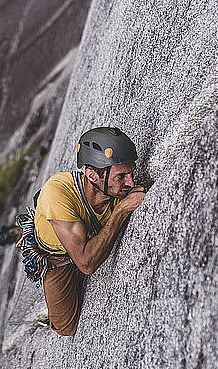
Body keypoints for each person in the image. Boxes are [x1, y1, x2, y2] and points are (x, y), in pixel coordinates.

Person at [34, 127, 146, 336]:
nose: (130, 183)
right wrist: (121, 210)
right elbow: (86, 264)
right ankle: (49, 316)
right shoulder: (57, 192)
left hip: (82, 237)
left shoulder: (116, 189)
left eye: (131, 173)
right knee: (66, 328)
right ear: (92, 176)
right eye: (121, 176)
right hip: (57, 257)